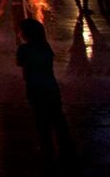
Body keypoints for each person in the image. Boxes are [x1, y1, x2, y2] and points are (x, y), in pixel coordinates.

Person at [16, 17, 74, 163]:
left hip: (35, 88)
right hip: (50, 86)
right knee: (58, 116)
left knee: (41, 119)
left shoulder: (24, 49)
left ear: (25, 34)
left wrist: (20, 47)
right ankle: (66, 143)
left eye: (20, 31)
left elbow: (19, 62)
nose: (18, 33)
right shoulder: (45, 46)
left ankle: (46, 146)